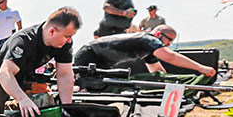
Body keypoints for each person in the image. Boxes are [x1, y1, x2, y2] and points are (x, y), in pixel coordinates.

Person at [0, 7, 82, 117]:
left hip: (22, 75)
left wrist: (67, 108)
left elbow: (64, 74)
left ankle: (12, 105)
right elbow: (5, 74)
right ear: (52, 31)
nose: (69, 41)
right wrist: (22, 99)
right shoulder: (23, 41)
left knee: (39, 106)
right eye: (67, 36)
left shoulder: (64, 44)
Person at [73, 26, 217, 78]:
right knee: (87, 87)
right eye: (169, 40)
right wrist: (200, 68)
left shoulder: (148, 48)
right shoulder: (148, 39)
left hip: (100, 60)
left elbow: (157, 71)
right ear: (159, 34)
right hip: (90, 55)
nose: (168, 44)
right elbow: (170, 57)